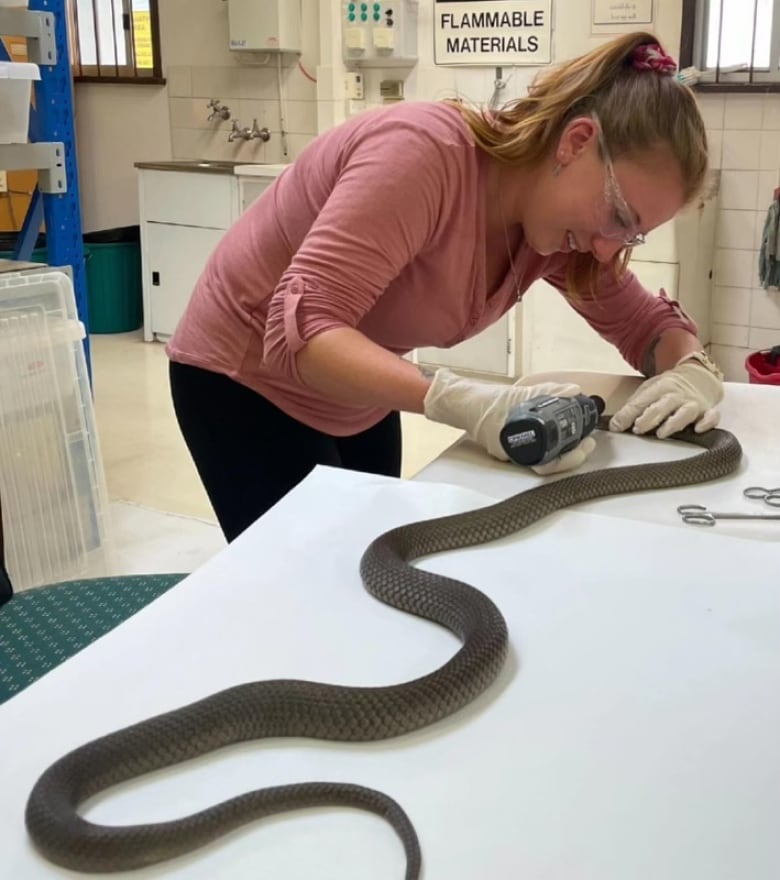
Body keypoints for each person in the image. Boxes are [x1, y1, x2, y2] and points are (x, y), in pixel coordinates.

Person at [167, 31, 724, 542]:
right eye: (619, 215)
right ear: (575, 143)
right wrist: (459, 399)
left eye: (634, 234)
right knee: (304, 585)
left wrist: (692, 373)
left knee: (366, 561)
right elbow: (307, 333)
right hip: (245, 377)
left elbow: (648, 327)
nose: (610, 247)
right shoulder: (422, 155)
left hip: (354, 388)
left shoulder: (556, 231)